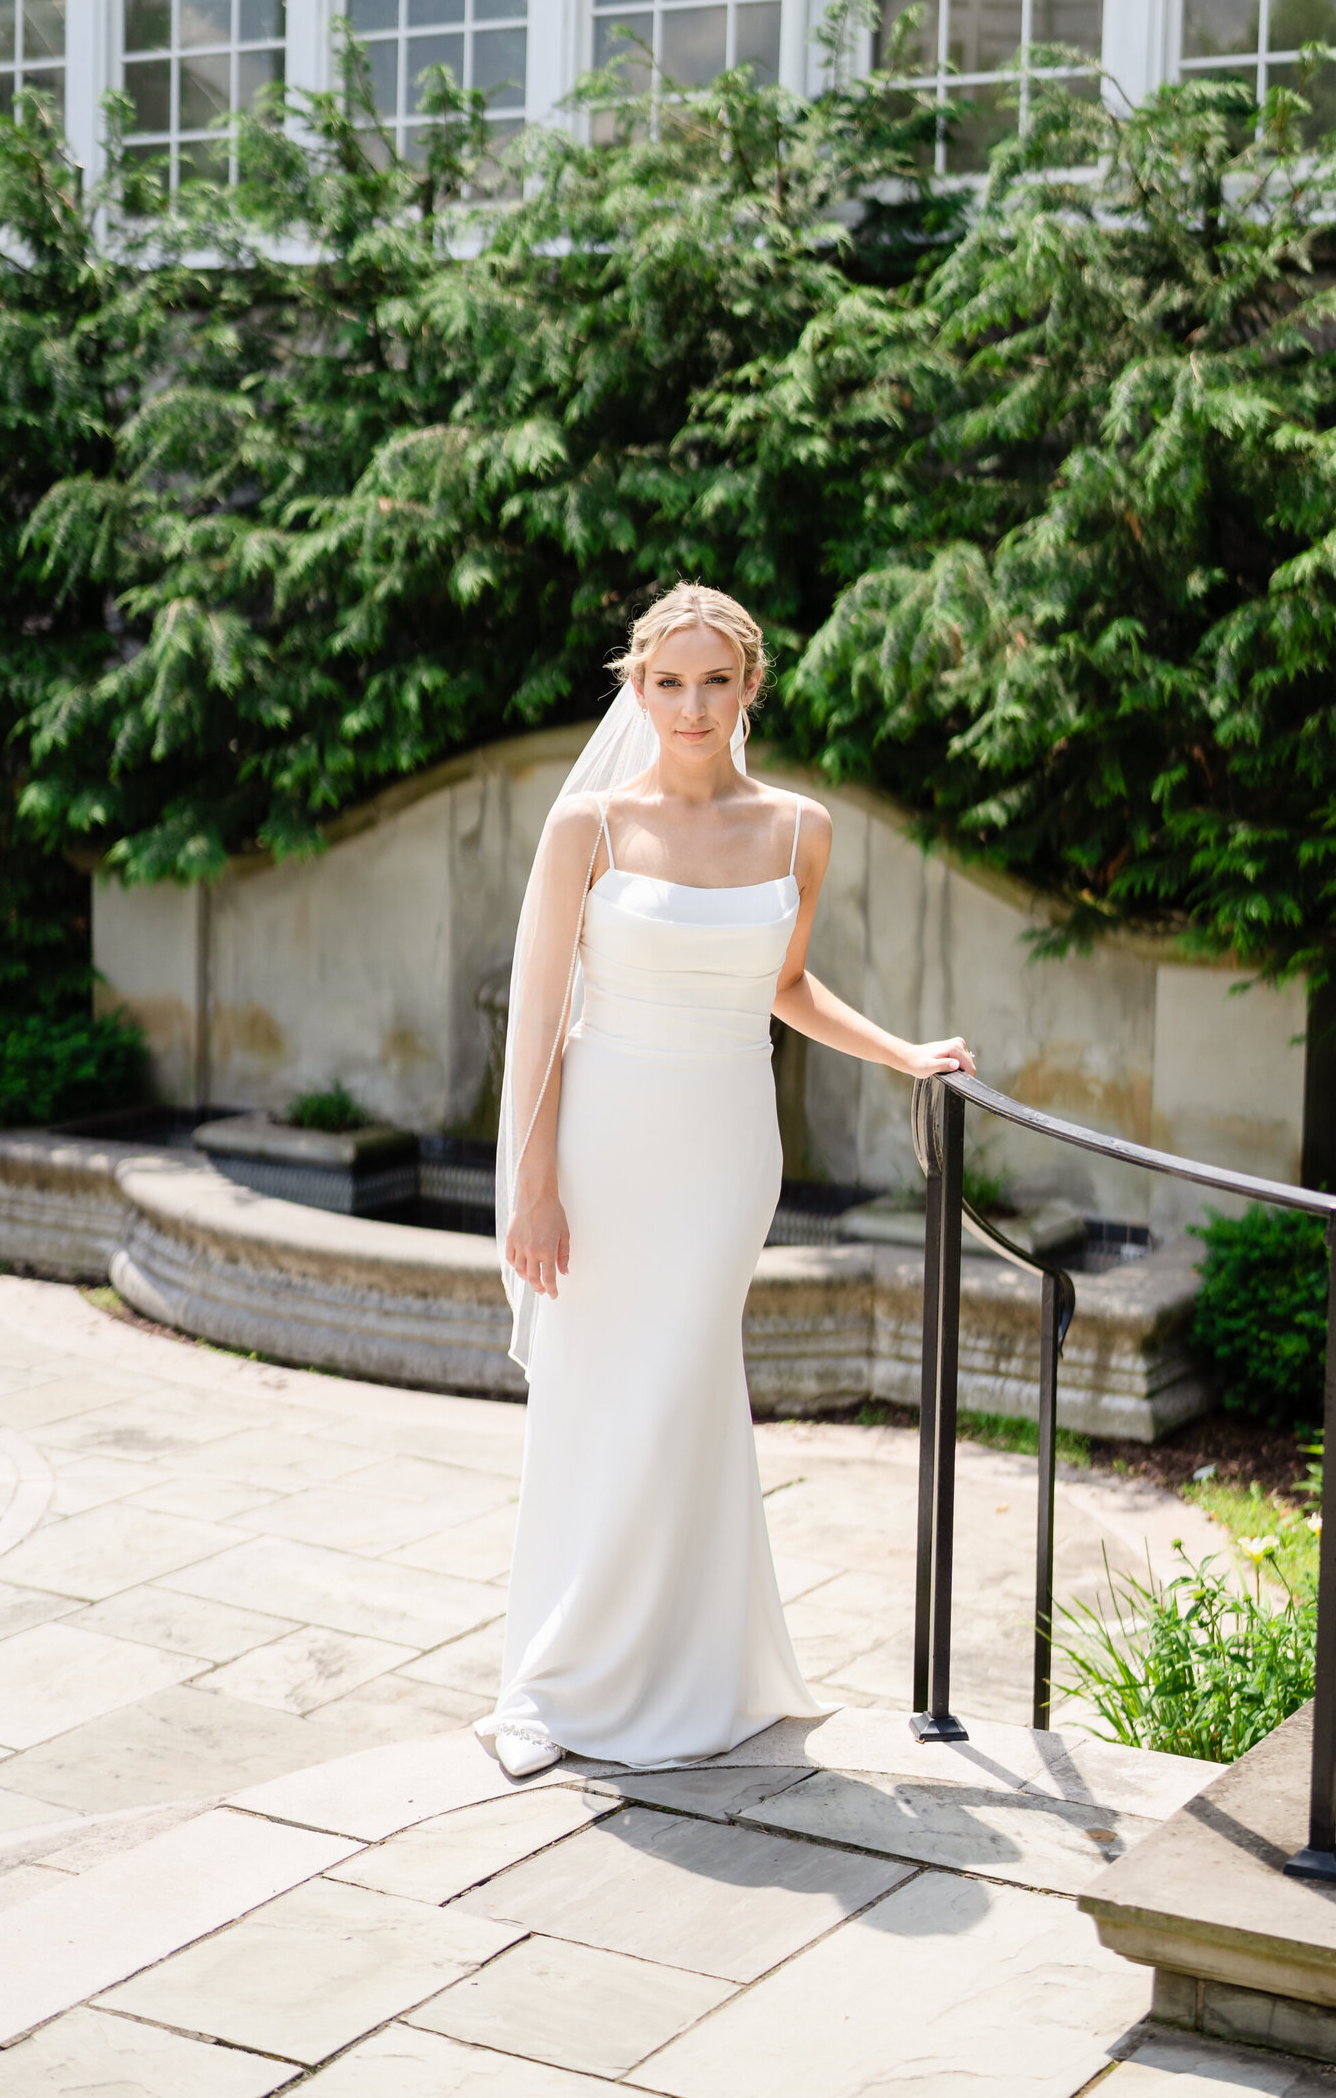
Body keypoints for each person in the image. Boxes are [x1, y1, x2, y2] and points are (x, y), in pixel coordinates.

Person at [478, 584, 976, 1779]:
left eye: (715, 681)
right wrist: (530, 1182)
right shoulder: (585, 828)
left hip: (722, 1147)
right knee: (604, 1396)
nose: (691, 706)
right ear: (635, 687)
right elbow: (541, 1017)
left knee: (684, 1387)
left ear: (750, 687)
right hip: (603, 1142)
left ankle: (694, 1672)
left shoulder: (799, 828)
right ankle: (559, 1677)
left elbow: (785, 986)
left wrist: (903, 1051)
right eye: (667, 682)